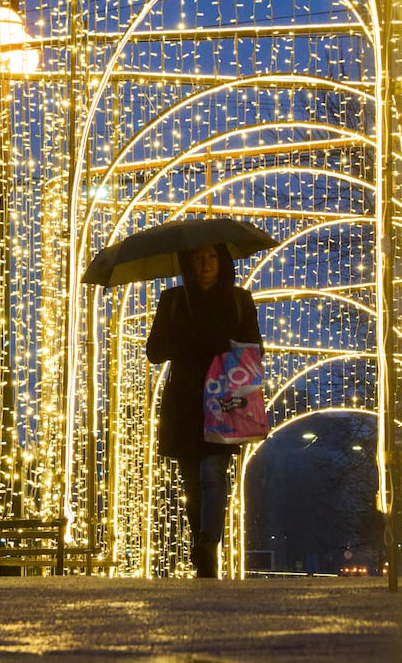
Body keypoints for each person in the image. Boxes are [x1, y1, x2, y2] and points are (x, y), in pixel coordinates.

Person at [146, 243, 262, 578]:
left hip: (225, 397)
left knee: (213, 475)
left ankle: (208, 544)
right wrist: (186, 339)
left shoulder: (239, 300)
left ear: (222, 261)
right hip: (185, 402)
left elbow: (256, 348)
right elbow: (154, 350)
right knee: (192, 483)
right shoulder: (174, 301)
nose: (205, 263)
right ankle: (202, 543)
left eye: (211, 256)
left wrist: (225, 344)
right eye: (197, 257)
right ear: (188, 262)